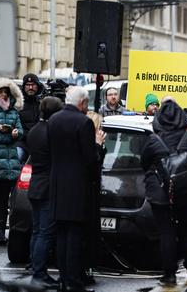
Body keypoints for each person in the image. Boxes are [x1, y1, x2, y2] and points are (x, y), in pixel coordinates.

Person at [141, 100, 187, 286]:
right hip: (186, 191)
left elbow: (144, 163)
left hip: (160, 192)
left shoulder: (153, 141)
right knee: (186, 231)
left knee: (166, 233)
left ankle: (169, 274)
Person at [48, 86, 98, 292]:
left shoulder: (54, 120)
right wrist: (98, 149)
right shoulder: (84, 122)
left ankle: (63, 279)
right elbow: (90, 159)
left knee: (61, 235)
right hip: (78, 186)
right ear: (83, 103)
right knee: (75, 236)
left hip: (58, 184)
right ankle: (74, 282)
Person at [27, 97, 63, 289]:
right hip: (48, 185)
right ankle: (39, 274)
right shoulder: (51, 132)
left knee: (37, 230)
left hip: (35, 184)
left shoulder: (34, 130)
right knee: (45, 233)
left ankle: (35, 268)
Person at [0, 78, 24, 245]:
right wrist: (4, 135)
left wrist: (15, 134)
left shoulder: (13, 112)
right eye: (1, 92)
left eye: (6, 93)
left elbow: (20, 132)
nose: (4, 95)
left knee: (3, 200)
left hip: (7, 163)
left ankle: (0, 232)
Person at [83, 111, 106, 285]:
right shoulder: (87, 145)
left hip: (94, 193)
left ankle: (89, 267)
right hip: (86, 195)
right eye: (100, 127)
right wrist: (98, 146)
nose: (102, 131)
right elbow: (93, 165)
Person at [17, 73, 45, 163]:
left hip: (40, 144)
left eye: (33, 85)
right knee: (18, 156)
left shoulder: (43, 103)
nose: (30, 88)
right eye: (28, 85)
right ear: (24, 87)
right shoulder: (18, 104)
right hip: (22, 143)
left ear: (38, 86)